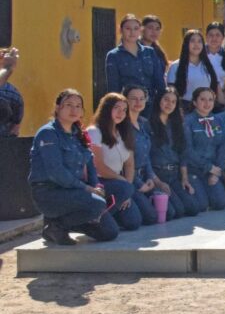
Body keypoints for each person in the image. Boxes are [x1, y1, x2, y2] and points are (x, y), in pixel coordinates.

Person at [28, 89, 119, 244]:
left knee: (109, 232)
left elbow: (89, 163)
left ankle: (66, 223)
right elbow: (56, 173)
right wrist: (87, 189)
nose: (74, 109)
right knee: (97, 203)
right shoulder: (48, 134)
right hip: (50, 192)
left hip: (74, 192)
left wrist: (96, 185)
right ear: (57, 108)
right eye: (68, 105)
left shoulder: (78, 133)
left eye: (78, 106)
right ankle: (55, 226)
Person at [89, 93, 150, 229]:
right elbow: (99, 167)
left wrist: (126, 192)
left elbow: (129, 164)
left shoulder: (123, 132)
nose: (121, 113)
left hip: (119, 183)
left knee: (135, 222)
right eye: (116, 108)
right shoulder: (94, 132)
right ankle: (96, 220)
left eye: (124, 110)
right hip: (99, 182)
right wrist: (125, 186)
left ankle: (110, 215)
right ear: (106, 108)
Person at [125, 86, 182, 221]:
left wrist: (155, 180)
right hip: (129, 180)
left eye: (141, 99)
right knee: (148, 218)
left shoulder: (142, 123)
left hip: (147, 177)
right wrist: (139, 184)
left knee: (173, 212)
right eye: (133, 99)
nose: (138, 102)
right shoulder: (123, 125)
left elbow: (146, 157)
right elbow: (126, 163)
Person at [148, 87, 200, 216]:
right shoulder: (147, 123)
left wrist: (184, 178)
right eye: (166, 100)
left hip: (174, 174)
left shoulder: (178, 124)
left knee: (192, 208)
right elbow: (145, 157)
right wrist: (157, 182)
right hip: (157, 174)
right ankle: (151, 197)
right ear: (158, 100)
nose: (169, 104)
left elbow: (183, 153)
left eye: (173, 101)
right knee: (173, 213)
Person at [182, 87, 225, 211]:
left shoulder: (218, 120)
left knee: (220, 204)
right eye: (202, 99)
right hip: (194, 169)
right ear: (195, 102)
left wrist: (217, 172)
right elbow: (188, 150)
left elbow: (223, 146)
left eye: (210, 100)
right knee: (201, 206)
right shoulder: (188, 121)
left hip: (213, 171)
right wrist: (209, 167)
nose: (207, 103)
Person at [105, 14, 166, 100]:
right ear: (120, 30)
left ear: (140, 31)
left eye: (136, 28)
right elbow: (113, 88)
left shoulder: (150, 52)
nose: (132, 32)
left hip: (150, 104)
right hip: (128, 105)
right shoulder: (114, 55)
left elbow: (160, 83)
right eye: (128, 28)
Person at [167, 30, 221, 111]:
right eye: (192, 41)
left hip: (208, 108)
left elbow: (217, 89)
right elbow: (171, 93)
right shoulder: (175, 66)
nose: (196, 44)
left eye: (199, 41)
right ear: (186, 44)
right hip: (185, 109)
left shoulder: (209, 66)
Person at [204, 21, 225, 106]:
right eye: (211, 35)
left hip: (217, 102)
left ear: (223, 38)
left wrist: (218, 99)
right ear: (206, 37)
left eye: (217, 35)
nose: (214, 38)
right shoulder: (197, 54)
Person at [0, 47, 23, 137]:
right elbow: (15, 130)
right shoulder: (14, 94)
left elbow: (15, 129)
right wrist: (7, 69)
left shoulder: (14, 95)